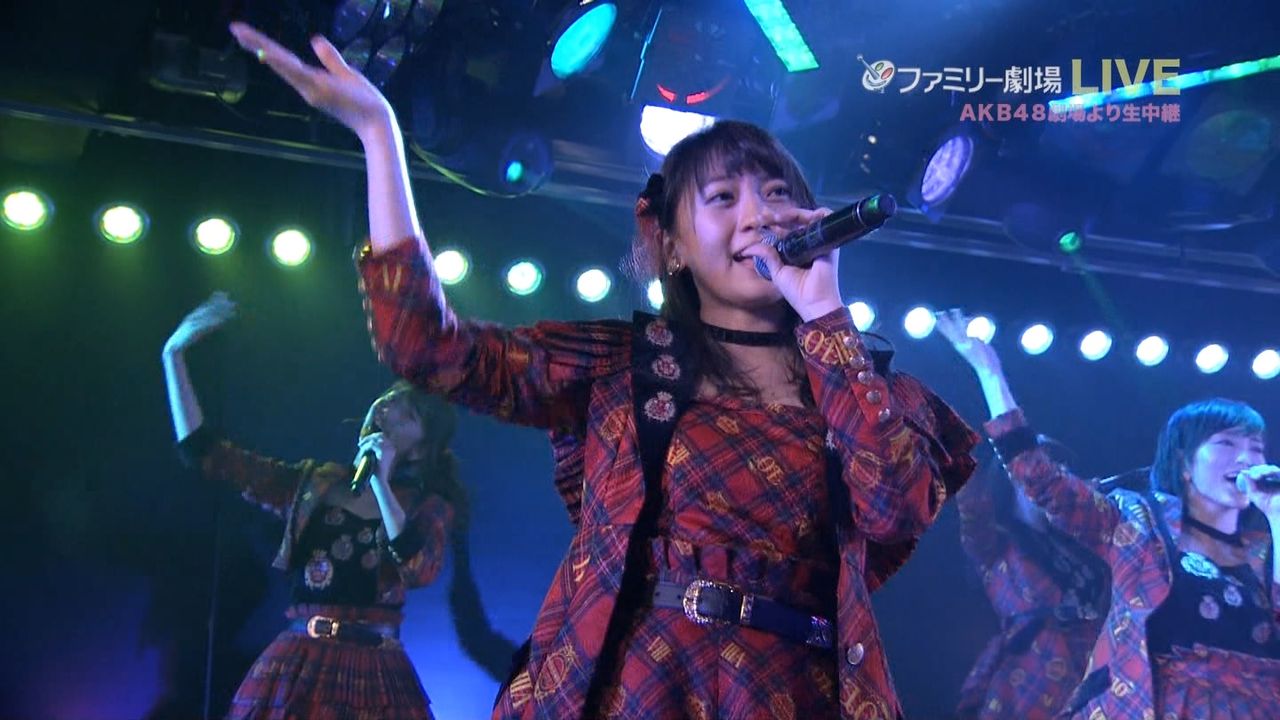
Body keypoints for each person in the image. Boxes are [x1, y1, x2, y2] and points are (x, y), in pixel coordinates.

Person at [227, 22, 978, 719]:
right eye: (724, 198)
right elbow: (425, 347)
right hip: (637, 684)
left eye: (777, 193)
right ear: (674, 247)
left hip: (793, 691)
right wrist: (379, 135)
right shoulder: (620, 366)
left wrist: (826, 321)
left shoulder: (865, 386)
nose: (758, 215)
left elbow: (895, 511)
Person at [938, 309, 1280, 719]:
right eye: (1227, 444)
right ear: (1185, 462)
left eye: (1256, 448)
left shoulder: (1264, 549)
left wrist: (1276, 514)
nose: (1246, 458)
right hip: (1142, 700)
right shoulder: (1137, 523)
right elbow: (1042, 479)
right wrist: (990, 373)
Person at [162, 291, 462, 720]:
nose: (388, 407)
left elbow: (419, 568)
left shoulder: (425, 504)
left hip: (376, 672)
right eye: (389, 398)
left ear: (421, 449)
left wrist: (380, 482)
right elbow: (208, 454)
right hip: (299, 663)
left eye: (408, 413)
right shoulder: (313, 483)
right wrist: (173, 355)